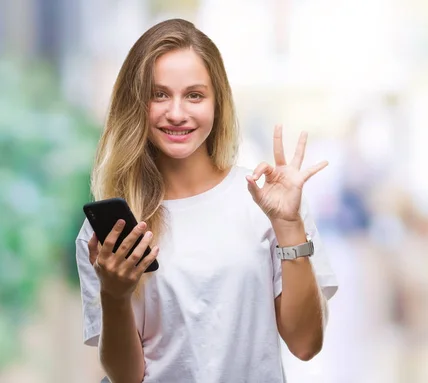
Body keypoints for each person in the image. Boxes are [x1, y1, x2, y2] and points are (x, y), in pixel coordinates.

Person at [75, 18, 338, 383]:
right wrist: (114, 295)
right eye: (159, 94)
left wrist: (290, 226)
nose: (177, 113)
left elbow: (306, 344)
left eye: (194, 95)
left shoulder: (268, 204)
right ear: (136, 102)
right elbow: (126, 377)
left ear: (217, 103)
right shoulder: (111, 232)